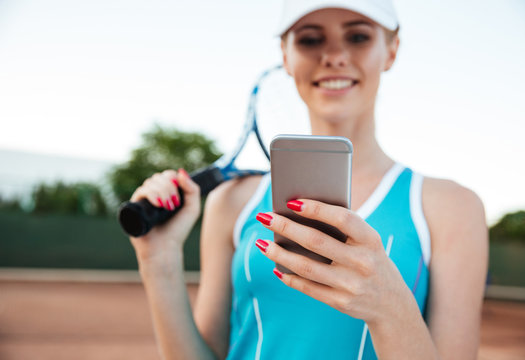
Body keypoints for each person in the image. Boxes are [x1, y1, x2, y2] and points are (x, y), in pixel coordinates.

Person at [128, 0, 488, 359]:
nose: (333, 55)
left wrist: (391, 307)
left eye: (358, 37)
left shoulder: (453, 208)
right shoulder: (232, 201)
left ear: (391, 50)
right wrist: (158, 262)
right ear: (285, 55)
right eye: (311, 40)